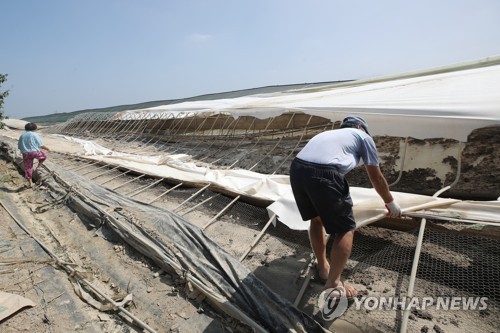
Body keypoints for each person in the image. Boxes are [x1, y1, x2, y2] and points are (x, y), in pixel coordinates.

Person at [289, 115, 401, 299]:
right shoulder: (363, 137)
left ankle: (323, 266)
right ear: (360, 127)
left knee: (317, 220)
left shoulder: (329, 134)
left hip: (297, 169)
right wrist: (390, 202)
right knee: (346, 229)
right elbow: (376, 177)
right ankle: (333, 284)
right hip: (324, 172)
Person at [18, 122, 50, 188]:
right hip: (34, 152)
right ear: (34, 128)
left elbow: (19, 146)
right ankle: (39, 167)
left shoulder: (22, 135)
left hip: (26, 154)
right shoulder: (34, 134)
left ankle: (30, 183)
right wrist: (48, 148)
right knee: (44, 156)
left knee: (28, 168)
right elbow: (40, 145)